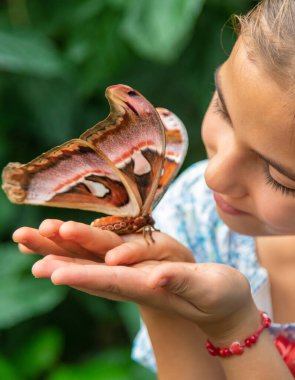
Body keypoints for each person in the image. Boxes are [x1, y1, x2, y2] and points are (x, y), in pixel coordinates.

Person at [11, 0, 295, 378]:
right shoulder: (195, 211)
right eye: (223, 109)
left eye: (280, 177)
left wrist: (235, 328)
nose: (214, 176)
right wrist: (164, 302)